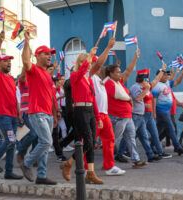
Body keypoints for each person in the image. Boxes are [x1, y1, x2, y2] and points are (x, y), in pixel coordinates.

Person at [61, 46, 105, 184]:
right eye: (87, 62)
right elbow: (79, 73)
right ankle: (69, 163)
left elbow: (93, 100)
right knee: (88, 141)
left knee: (91, 143)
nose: (89, 65)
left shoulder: (89, 80)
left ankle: (90, 173)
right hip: (80, 112)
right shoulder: (75, 76)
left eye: (90, 63)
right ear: (80, 63)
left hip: (90, 111)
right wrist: (89, 56)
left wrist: (98, 118)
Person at [20, 30, 58, 185]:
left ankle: (41, 175)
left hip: (48, 114)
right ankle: (27, 163)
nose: (49, 56)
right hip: (37, 112)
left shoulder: (48, 75)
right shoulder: (33, 70)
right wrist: (27, 42)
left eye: (50, 54)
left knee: (45, 145)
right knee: (46, 142)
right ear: (37, 56)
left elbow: (51, 97)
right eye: (46, 54)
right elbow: (25, 61)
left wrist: (55, 115)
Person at [104, 49, 148, 168]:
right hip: (117, 117)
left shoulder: (119, 83)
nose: (120, 74)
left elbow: (128, 71)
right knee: (112, 140)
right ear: (111, 74)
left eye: (120, 72)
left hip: (127, 117)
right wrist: (128, 99)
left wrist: (135, 58)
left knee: (131, 139)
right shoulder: (109, 83)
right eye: (117, 72)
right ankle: (107, 163)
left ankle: (136, 160)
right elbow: (115, 95)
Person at [88, 37, 125, 175]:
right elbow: (98, 64)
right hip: (94, 115)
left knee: (109, 139)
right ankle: (84, 168)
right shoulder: (89, 75)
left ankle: (109, 166)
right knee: (89, 142)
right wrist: (108, 47)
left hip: (104, 115)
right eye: (93, 63)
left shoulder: (98, 78)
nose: (98, 66)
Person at [0, 31, 23, 179]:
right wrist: (0, 42)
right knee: (9, 141)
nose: (9, 63)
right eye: (5, 61)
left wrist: (19, 113)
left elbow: (14, 98)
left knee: (12, 144)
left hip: (13, 116)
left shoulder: (10, 79)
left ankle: (8, 172)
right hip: (2, 115)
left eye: (10, 61)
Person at [151, 68, 183, 156]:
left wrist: (182, 74)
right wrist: (154, 113)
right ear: (159, 76)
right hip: (161, 111)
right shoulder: (157, 86)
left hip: (166, 111)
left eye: (167, 75)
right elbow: (154, 100)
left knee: (158, 130)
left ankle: (151, 146)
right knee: (171, 128)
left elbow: (176, 82)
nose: (166, 76)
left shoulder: (167, 83)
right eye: (164, 74)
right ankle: (178, 147)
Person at [137, 66, 172, 159]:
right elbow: (135, 100)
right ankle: (123, 151)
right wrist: (145, 105)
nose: (147, 80)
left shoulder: (149, 87)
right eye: (145, 78)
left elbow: (156, 80)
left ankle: (160, 152)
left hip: (149, 114)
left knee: (155, 133)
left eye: (148, 78)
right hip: (142, 114)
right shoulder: (139, 88)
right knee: (136, 133)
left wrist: (163, 70)